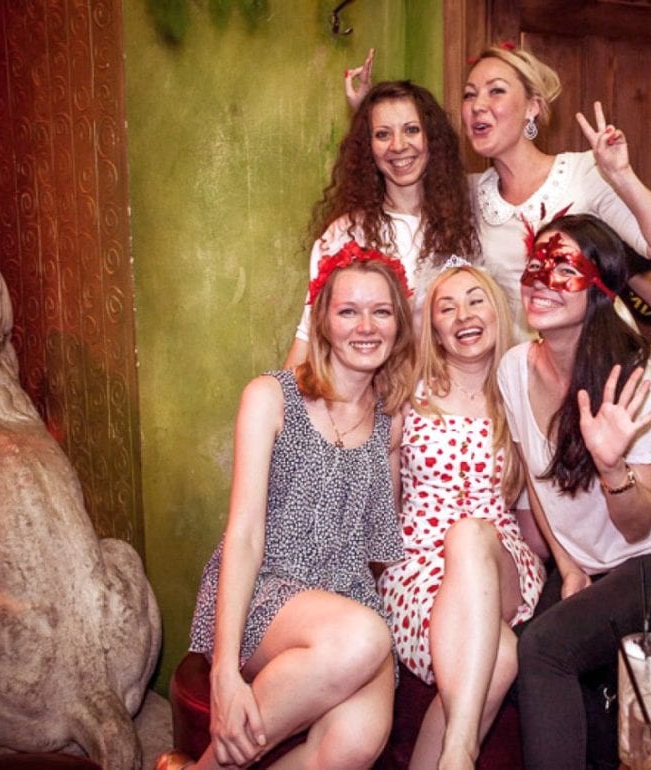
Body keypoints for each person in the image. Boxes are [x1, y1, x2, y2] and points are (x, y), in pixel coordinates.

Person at [157, 244, 415, 770]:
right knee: (365, 634)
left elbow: (377, 546)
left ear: (399, 324)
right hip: (266, 588)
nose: (366, 326)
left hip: (345, 600)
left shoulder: (391, 422)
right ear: (322, 322)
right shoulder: (271, 397)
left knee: (355, 743)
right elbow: (244, 536)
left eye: (381, 312)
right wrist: (224, 672)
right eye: (348, 311)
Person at [495, 213, 651, 769]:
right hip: (588, 566)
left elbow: (640, 522)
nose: (541, 280)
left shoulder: (640, 388)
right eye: (535, 264)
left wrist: (611, 465)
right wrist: (568, 566)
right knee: (518, 659)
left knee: (544, 649)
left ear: (599, 288)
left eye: (563, 267)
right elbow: (538, 484)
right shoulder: (514, 369)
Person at [345, 46, 651, 359]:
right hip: (521, 377)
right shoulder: (467, 194)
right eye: (469, 95)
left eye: (496, 91)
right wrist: (369, 115)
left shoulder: (584, 173)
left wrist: (621, 174)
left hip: (598, 362)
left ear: (532, 107)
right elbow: (403, 173)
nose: (478, 105)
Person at [377, 261, 545, 769]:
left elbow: (541, 502)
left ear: (497, 312)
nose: (463, 316)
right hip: (417, 565)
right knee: (502, 656)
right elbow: (382, 502)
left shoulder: (522, 394)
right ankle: (457, 753)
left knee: (470, 535)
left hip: (502, 557)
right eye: (446, 308)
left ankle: (456, 751)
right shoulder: (407, 393)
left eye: (475, 301)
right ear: (433, 329)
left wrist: (571, 565)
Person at [285, 79, 478, 368]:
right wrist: (278, 393)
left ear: (433, 138)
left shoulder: (466, 224)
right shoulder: (345, 233)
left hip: (452, 389)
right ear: (368, 147)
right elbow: (309, 333)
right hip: (377, 392)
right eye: (382, 134)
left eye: (411, 130)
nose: (398, 146)